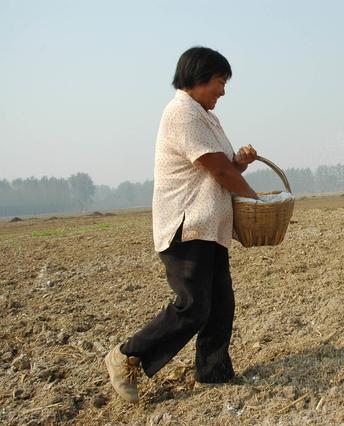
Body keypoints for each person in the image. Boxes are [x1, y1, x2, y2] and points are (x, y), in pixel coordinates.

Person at [104, 47, 259, 403]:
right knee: (193, 306)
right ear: (199, 78)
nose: (223, 91)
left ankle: (214, 374)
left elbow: (223, 168)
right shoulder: (181, 113)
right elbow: (218, 171)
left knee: (221, 306)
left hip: (210, 230)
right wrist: (254, 198)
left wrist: (241, 163)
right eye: (220, 82)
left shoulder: (207, 117)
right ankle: (127, 355)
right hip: (186, 227)